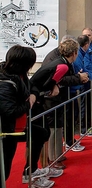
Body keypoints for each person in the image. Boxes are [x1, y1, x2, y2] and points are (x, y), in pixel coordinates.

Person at [0, 45, 62, 188]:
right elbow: (10, 110)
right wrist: (29, 104)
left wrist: (33, 94)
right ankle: (30, 171)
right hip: (7, 130)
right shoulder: (5, 82)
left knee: (41, 133)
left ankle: (31, 170)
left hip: (17, 126)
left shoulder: (19, 75)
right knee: (4, 169)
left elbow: (31, 85)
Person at [30, 39, 82, 170]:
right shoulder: (62, 65)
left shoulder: (63, 62)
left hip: (47, 95)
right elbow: (50, 80)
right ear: (74, 53)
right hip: (44, 97)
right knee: (52, 126)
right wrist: (54, 86)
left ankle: (56, 156)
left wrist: (55, 85)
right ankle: (52, 159)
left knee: (57, 125)